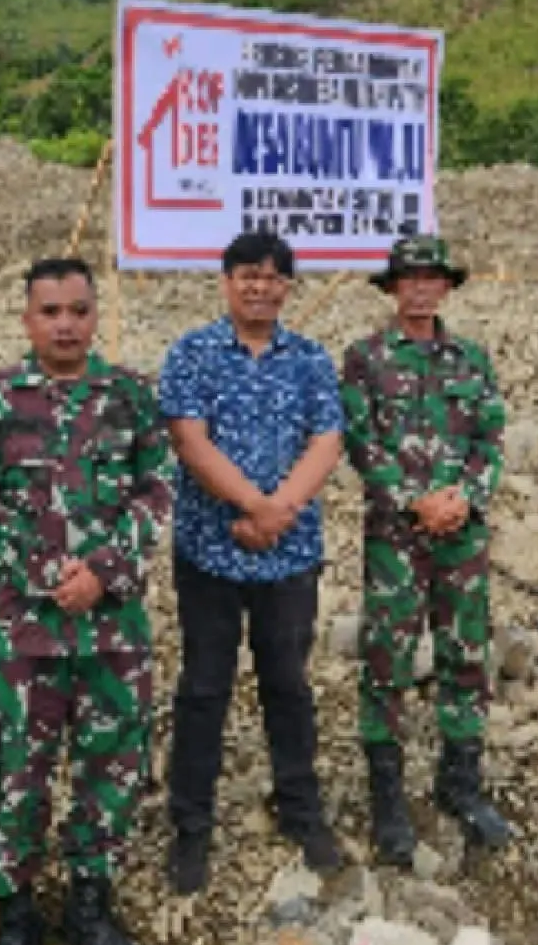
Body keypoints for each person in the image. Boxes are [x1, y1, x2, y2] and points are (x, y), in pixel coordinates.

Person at [0, 257, 171, 945]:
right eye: (50, 310)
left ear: (93, 313)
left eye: (78, 309)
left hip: (113, 628)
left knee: (111, 768)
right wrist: (49, 569)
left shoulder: (131, 396)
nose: (66, 323)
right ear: (27, 318)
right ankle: (16, 919)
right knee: (18, 771)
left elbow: (156, 486)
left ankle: (89, 902)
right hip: (29, 632)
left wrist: (105, 571)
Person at [159, 231, 346, 894]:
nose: (260, 286)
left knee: (288, 684)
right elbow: (188, 438)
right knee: (204, 686)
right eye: (248, 275)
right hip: (210, 552)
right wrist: (250, 505)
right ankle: (190, 824)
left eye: (273, 276)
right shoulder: (193, 353)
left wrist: (278, 510)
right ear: (226, 280)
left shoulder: (311, 359)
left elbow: (328, 438)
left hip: (290, 554)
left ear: (288, 286)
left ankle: (300, 809)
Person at [339, 234, 510, 866]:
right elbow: (362, 444)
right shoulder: (365, 359)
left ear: (445, 287)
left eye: (431, 277)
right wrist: (418, 501)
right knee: (387, 661)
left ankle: (459, 783)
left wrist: (464, 496)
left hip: (461, 537)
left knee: (465, 654)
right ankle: (388, 796)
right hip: (397, 539)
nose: (420, 286)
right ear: (392, 287)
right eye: (408, 277)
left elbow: (490, 439)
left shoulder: (471, 359)